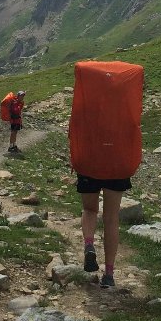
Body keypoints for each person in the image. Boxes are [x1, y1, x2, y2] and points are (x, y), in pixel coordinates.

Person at [68, 61, 144, 290]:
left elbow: (74, 129)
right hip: (117, 164)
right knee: (111, 218)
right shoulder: (123, 108)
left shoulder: (87, 106)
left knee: (90, 209)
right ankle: (109, 274)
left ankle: (89, 244)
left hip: (89, 162)